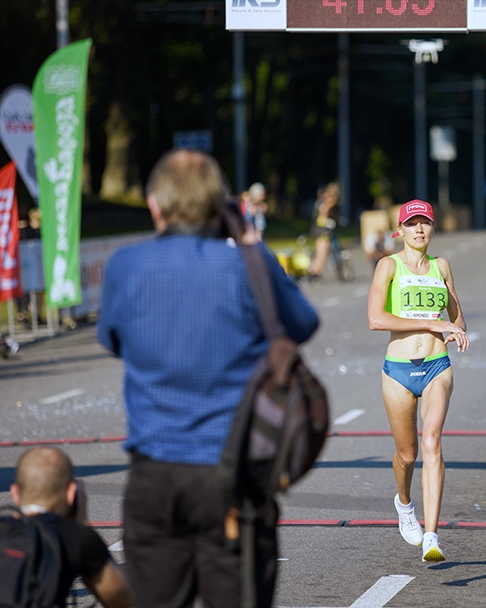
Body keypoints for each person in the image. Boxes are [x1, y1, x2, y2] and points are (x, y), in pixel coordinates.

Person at [97, 149, 319, 608]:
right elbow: (303, 322)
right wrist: (253, 245)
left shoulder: (125, 266)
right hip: (230, 477)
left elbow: (113, 339)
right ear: (222, 207)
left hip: (153, 477)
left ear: (154, 204)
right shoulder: (247, 267)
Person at [366, 199, 469, 562]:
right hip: (397, 370)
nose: (420, 229)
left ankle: (431, 535)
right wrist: (430, 322)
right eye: (412, 224)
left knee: (433, 443)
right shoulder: (388, 266)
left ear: (433, 228)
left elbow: (456, 317)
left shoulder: (442, 266)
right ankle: (405, 503)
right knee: (407, 455)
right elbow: (376, 319)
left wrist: (455, 331)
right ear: (401, 231)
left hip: (437, 365)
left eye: (425, 223)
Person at [9, 446, 132, 608]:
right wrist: (82, 527)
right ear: (71, 493)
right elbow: (122, 600)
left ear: (15, 493)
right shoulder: (73, 537)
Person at [308, 182, 341, 279]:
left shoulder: (323, 200)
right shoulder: (329, 202)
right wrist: (328, 222)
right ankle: (316, 272)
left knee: (319, 251)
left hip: (318, 229)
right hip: (323, 230)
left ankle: (314, 270)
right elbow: (322, 216)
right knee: (322, 251)